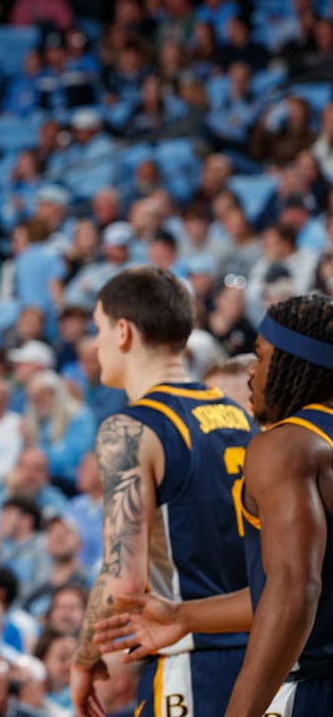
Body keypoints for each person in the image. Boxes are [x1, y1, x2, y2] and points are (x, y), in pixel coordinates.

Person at [94, 294, 333, 716]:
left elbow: (294, 592)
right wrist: (185, 617)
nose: (253, 371)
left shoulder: (286, 446)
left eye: (262, 356)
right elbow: (296, 584)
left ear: (298, 366)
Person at [70, 267, 252, 717]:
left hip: (192, 660)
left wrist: (84, 657)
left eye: (99, 328)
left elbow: (124, 579)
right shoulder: (236, 414)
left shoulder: (130, 428)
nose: (95, 344)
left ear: (124, 331)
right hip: (263, 654)